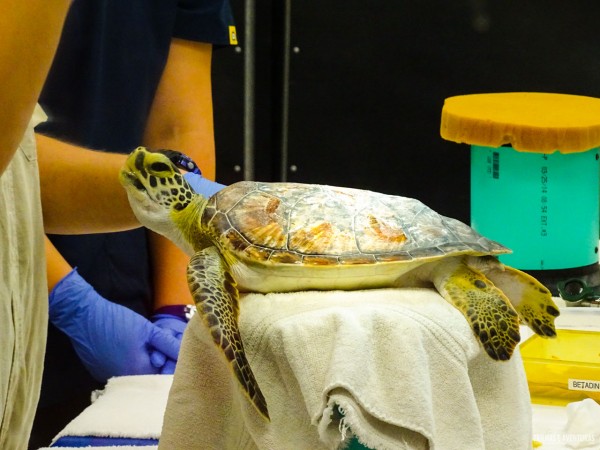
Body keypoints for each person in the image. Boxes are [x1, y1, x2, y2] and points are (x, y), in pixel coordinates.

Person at [29, 0, 236, 446]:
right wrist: (66, 297)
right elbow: (11, 164)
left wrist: (180, 309)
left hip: (127, 283)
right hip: (16, 281)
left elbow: (178, 129)